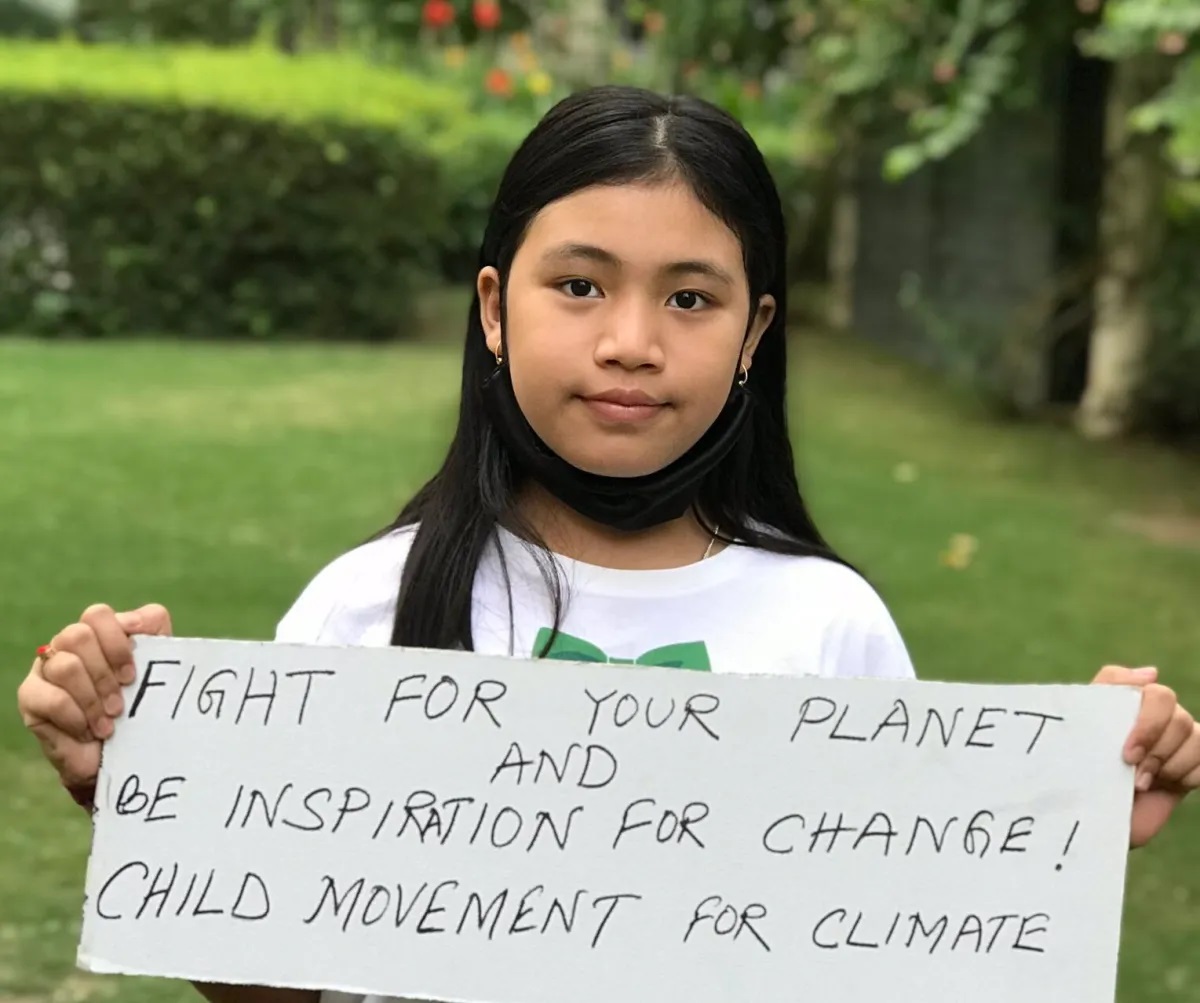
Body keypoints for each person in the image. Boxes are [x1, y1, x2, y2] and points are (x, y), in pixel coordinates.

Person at [15, 85, 1200, 1003]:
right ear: (493, 306)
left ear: (754, 332)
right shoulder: (363, 608)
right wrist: (151, 797)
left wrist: (1059, 830)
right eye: (579, 286)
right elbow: (276, 988)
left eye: (690, 298)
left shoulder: (828, 625)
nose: (632, 340)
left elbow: (893, 953)